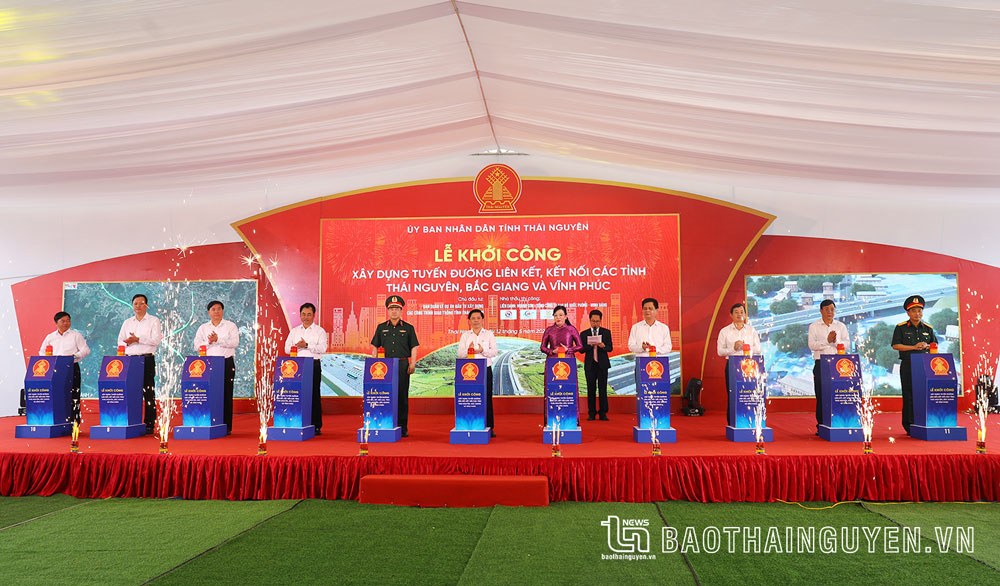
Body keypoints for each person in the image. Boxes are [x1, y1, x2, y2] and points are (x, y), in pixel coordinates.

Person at [370, 295, 419, 437]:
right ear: (388, 310)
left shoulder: (408, 328)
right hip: (384, 366)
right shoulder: (381, 328)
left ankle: (402, 426)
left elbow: (414, 347)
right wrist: (374, 363)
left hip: (402, 364)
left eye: (397, 308)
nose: (394, 311)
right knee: (384, 395)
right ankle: (385, 423)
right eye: (391, 308)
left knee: (402, 396)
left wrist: (413, 363)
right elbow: (375, 346)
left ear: (401, 310)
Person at [891, 295, 938, 435]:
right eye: (914, 311)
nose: (917, 314)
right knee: (909, 395)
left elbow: (934, 344)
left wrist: (927, 346)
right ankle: (910, 425)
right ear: (908, 313)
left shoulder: (928, 328)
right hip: (908, 365)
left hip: (925, 366)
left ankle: (924, 422)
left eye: (920, 311)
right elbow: (895, 345)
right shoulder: (901, 328)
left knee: (925, 394)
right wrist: (914, 347)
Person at [117, 293, 163, 435]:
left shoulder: (154, 321)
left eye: (141, 303)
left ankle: (149, 423)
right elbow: (120, 341)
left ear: (146, 305)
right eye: (135, 303)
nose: (138, 306)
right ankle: (132, 421)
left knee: (148, 392)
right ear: (132, 306)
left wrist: (138, 339)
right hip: (129, 360)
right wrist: (128, 342)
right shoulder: (127, 322)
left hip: (146, 359)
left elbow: (156, 340)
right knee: (130, 391)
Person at [193, 300, 239, 435]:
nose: (216, 312)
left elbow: (234, 343)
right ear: (209, 312)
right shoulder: (203, 328)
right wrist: (209, 341)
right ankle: (208, 423)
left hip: (226, 363)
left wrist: (218, 340)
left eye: (219, 309)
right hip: (208, 364)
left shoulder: (230, 326)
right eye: (213, 309)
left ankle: (226, 425)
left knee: (226, 393)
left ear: (222, 311)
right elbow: (197, 346)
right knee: (208, 394)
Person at [807, 299, 850, 433]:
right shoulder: (814, 326)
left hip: (838, 364)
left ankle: (839, 423)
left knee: (838, 394)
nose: (830, 312)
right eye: (826, 309)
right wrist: (827, 341)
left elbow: (847, 343)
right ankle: (821, 425)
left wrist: (835, 341)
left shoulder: (840, 326)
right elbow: (812, 345)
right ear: (821, 311)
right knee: (821, 395)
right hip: (821, 363)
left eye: (832, 309)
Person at [39, 311, 90, 424]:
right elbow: (42, 352)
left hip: (71, 367)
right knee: (56, 394)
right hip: (54, 369)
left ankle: (74, 423)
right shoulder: (50, 337)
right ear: (56, 323)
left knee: (73, 394)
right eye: (63, 321)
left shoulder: (76, 335)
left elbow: (86, 350)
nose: (66, 323)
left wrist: (74, 356)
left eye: (68, 321)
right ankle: (57, 421)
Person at [716, 302, 762, 424]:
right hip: (732, 366)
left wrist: (747, 348)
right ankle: (732, 423)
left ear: (745, 315)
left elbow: (758, 349)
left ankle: (751, 422)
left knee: (750, 394)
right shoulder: (724, 331)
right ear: (731, 315)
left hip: (750, 366)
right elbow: (720, 351)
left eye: (742, 312)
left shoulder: (751, 330)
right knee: (733, 394)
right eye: (736, 312)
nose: (739, 314)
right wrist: (734, 348)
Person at [285, 302, 327, 434]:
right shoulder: (294, 331)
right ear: (300, 315)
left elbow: (323, 348)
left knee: (314, 394)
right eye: (303, 314)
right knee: (297, 394)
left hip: (313, 364)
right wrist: (297, 347)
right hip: (297, 366)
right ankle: (297, 422)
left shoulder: (319, 331)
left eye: (309, 314)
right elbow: (286, 349)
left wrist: (307, 345)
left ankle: (316, 425)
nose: (306, 317)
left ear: (314, 315)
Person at [457, 309, 499, 437]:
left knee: (487, 398)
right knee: (470, 397)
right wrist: (469, 350)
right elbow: (460, 354)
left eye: (478, 318)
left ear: (482, 320)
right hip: (468, 372)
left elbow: (494, 352)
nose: (476, 320)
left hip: (485, 369)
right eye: (473, 318)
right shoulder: (465, 335)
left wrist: (482, 351)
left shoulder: (489, 334)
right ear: (469, 321)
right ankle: (470, 425)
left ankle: (489, 426)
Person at [578, 309, 613, 421]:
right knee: (591, 389)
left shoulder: (606, 332)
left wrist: (603, 346)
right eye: (593, 321)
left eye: (597, 321)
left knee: (603, 389)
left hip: (602, 365)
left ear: (600, 321)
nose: (595, 323)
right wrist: (591, 345)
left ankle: (603, 413)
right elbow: (581, 350)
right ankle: (591, 413)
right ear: (590, 320)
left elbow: (610, 348)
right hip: (590, 365)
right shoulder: (584, 334)